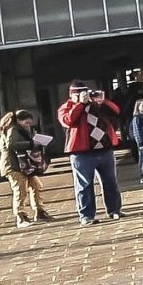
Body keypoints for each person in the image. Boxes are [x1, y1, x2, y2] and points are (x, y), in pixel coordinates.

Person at [56, 81, 123, 226]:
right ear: (72, 94)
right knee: (84, 185)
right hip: (81, 153)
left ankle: (114, 210)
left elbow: (116, 111)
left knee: (110, 182)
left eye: (86, 92)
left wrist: (102, 100)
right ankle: (86, 216)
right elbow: (68, 121)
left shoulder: (96, 104)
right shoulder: (66, 107)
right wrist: (80, 104)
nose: (85, 96)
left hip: (104, 149)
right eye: (80, 93)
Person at [0, 110, 50, 228]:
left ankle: (40, 211)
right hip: (13, 165)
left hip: (23, 165)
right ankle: (21, 216)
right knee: (20, 189)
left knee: (36, 185)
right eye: (26, 122)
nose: (28, 125)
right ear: (18, 120)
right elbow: (11, 145)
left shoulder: (19, 129)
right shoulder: (13, 129)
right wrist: (30, 143)